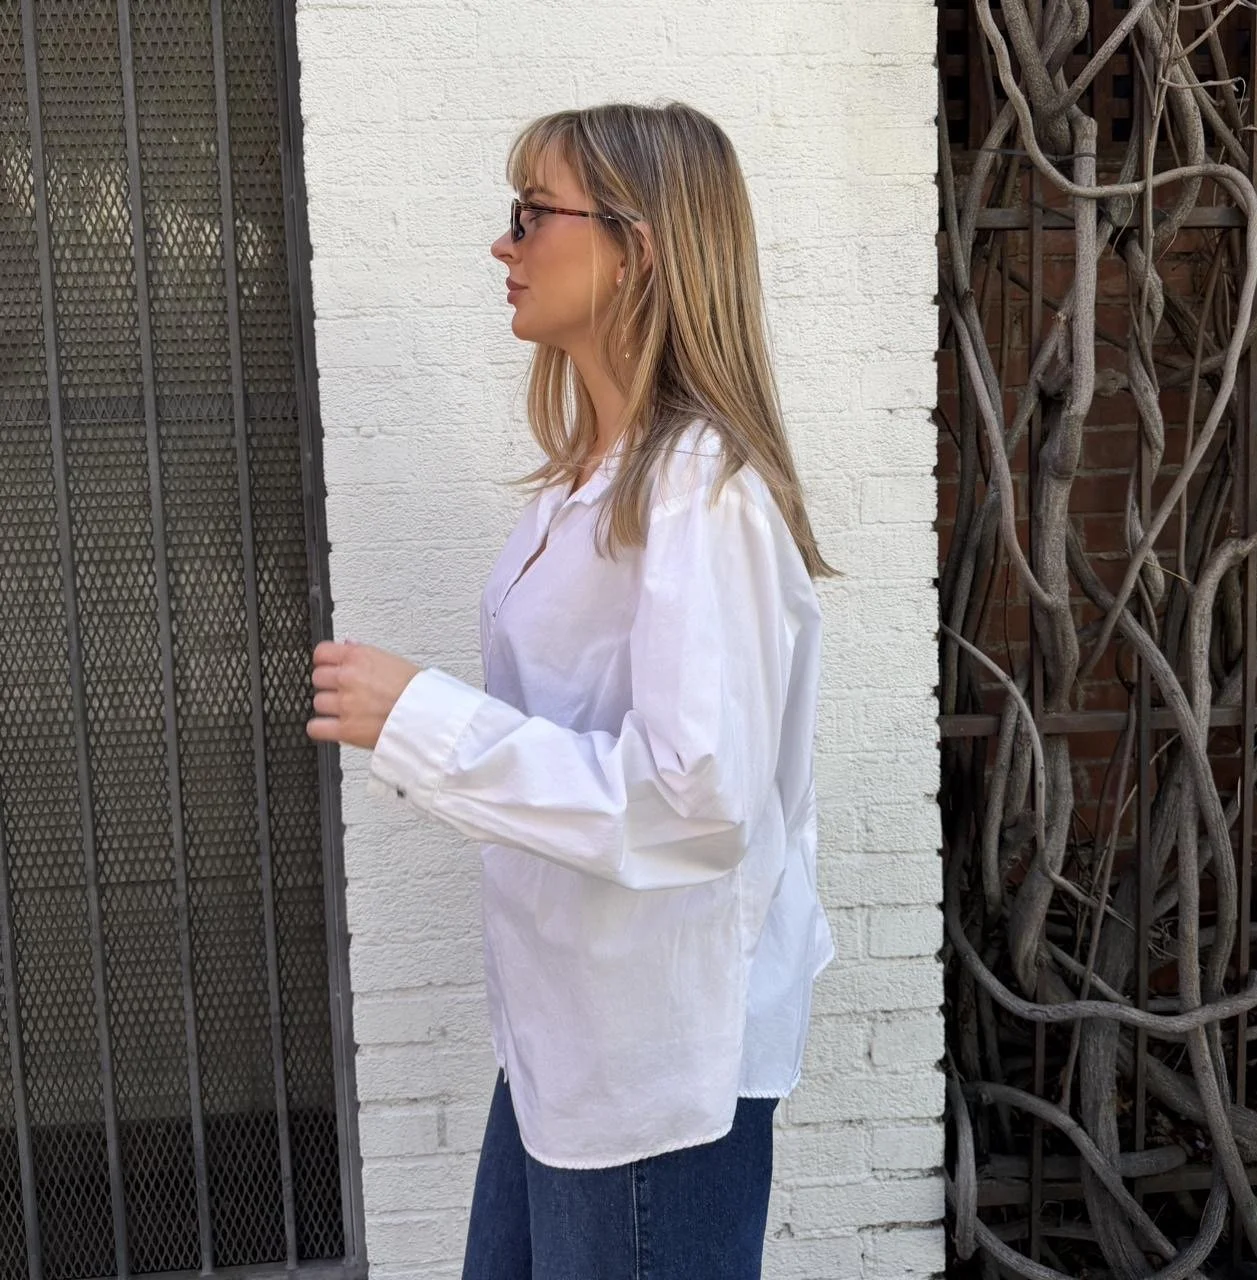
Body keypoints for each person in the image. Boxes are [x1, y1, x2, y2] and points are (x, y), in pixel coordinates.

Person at [307, 101, 836, 1280]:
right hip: (567, 1042)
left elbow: (693, 802)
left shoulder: (699, 491)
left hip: (652, 1069)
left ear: (634, 248)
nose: (503, 243)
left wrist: (424, 721)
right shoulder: (587, 482)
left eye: (530, 212)